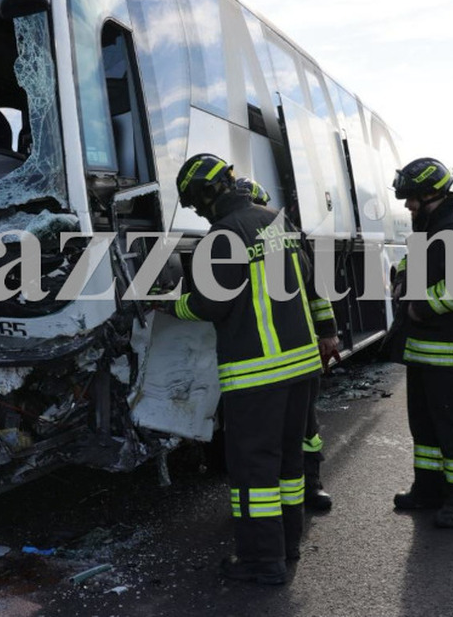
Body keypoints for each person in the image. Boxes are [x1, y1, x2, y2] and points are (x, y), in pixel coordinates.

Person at [171, 155, 340, 584]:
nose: (198, 211)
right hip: (300, 368)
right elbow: (307, 280)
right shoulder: (274, 221)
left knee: (253, 475)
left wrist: (169, 303)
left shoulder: (224, 235)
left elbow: (211, 303)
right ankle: (286, 548)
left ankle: (261, 564)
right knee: (287, 465)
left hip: (257, 374)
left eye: (195, 202)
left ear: (207, 193)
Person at [386, 157, 453, 528]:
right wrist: (401, 278)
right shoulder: (430, 230)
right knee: (425, 430)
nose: (408, 205)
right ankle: (427, 490)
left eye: (412, 198)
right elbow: (414, 268)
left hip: (448, 351)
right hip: (424, 351)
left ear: (431, 193)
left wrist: (417, 310)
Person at [235, 176, 335, 512]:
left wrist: (327, 332)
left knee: (306, 426)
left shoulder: (291, 236)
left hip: (299, 346)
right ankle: (271, 496)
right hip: (263, 351)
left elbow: (316, 291)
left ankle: (311, 485)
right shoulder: (233, 237)